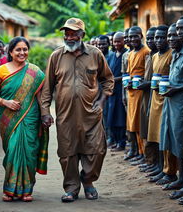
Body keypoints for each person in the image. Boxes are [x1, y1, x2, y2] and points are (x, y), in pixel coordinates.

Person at [41, 18, 114, 202]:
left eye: (74, 33)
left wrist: (102, 100)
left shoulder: (95, 54)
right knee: (67, 153)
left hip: (91, 114)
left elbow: (108, 79)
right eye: (67, 33)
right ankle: (72, 188)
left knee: (97, 150)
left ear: (82, 35)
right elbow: (47, 87)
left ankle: (88, 181)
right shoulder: (56, 56)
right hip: (65, 115)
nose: (69, 37)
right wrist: (45, 112)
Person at [0, 36, 48, 202]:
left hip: (30, 118)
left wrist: (44, 115)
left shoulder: (35, 72)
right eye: (18, 50)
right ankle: (9, 190)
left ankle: (26, 190)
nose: (22, 53)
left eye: (25, 49)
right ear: (10, 52)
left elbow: (40, 98)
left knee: (29, 152)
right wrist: (5, 102)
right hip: (8, 118)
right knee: (13, 151)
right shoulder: (2, 70)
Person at [160, 16, 183, 200]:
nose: (177, 34)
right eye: (176, 30)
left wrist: (177, 88)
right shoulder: (176, 52)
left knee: (181, 142)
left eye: (181, 29)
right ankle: (180, 178)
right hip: (171, 103)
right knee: (173, 139)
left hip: (182, 104)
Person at [145, 25, 177, 185]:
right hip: (155, 100)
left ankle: (170, 171)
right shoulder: (155, 56)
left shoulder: (172, 55)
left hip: (167, 101)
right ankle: (160, 167)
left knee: (166, 137)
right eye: (155, 38)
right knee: (156, 136)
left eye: (161, 37)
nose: (158, 41)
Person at [133, 27, 158, 167]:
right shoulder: (150, 56)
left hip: (155, 98)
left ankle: (158, 165)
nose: (150, 41)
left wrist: (147, 83)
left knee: (154, 131)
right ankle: (149, 161)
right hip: (145, 97)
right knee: (145, 130)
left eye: (152, 38)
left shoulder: (153, 54)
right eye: (148, 38)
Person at [125, 26, 150, 161]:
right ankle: (138, 152)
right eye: (130, 37)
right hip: (131, 93)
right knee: (132, 124)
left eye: (135, 36)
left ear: (141, 36)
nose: (133, 39)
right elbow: (130, 73)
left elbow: (148, 73)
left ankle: (144, 154)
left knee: (140, 124)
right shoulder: (131, 53)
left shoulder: (146, 52)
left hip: (141, 92)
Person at [107, 32, 127, 152]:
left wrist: (115, 79)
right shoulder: (113, 55)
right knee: (112, 117)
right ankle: (114, 140)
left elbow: (125, 74)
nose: (116, 43)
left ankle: (122, 142)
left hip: (121, 91)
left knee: (121, 118)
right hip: (112, 91)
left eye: (119, 41)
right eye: (115, 41)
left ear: (124, 41)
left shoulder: (126, 54)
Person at [96, 34, 114, 145]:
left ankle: (110, 137)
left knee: (109, 114)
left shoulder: (111, 56)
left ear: (108, 44)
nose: (101, 46)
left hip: (109, 91)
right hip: (97, 90)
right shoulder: (96, 56)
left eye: (103, 44)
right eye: (99, 44)